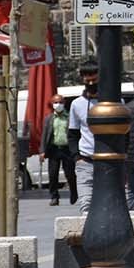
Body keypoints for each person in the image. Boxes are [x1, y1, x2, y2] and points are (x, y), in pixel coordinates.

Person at [71, 69, 97, 213]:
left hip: (109, 162)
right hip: (85, 160)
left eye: (95, 80)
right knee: (86, 204)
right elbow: (73, 133)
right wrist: (77, 157)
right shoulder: (77, 104)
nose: (92, 84)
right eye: (88, 81)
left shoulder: (114, 102)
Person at [44, 95, 77, 206]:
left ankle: (73, 193)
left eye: (60, 102)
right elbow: (45, 135)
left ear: (64, 103)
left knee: (70, 173)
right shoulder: (49, 118)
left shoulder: (69, 117)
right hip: (53, 149)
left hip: (67, 149)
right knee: (53, 175)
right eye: (55, 102)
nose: (58, 105)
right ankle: (54, 197)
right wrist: (42, 150)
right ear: (52, 104)